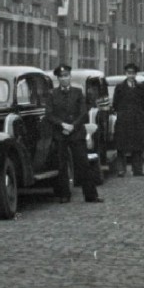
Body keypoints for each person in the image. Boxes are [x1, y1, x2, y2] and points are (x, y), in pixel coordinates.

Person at [45, 65, 103, 204]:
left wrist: (73, 126)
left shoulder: (78, 92)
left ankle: (91, 195)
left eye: (66, 76)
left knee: (83, 163)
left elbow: (84, 113)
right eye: (61, 76)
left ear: (70, 77)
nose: (64, 79)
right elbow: (49, 114)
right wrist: (62, 125)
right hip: (60, 134)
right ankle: (64, 195)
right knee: (62, 165)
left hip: (76, 133)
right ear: (58, 79)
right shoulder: (52, 94)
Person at [112, 63, 144, 177]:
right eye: (129, 73)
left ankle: (137, 170)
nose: (131, 76)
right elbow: (115, 104)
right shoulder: (119, 87)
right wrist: (122, 113)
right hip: (124, 121)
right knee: (121, 146)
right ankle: (121, 170)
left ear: (135, 74)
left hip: (137, 121)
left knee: (138, 146)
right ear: (126, 74)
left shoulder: (141, 87)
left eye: (133, 73)